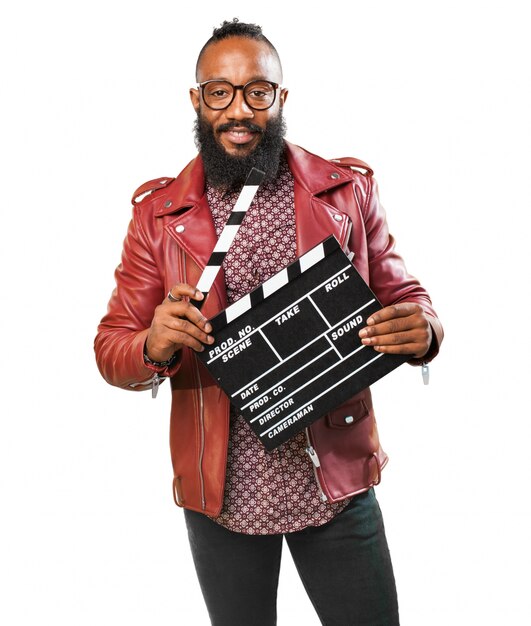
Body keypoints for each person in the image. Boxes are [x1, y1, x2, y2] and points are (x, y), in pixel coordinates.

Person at [95, 18, 443, 626]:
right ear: (197, 100)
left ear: (281, 98)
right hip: (222, 492)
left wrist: (424, 331)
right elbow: (112, 346)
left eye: (258, 91)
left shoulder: (346, 191)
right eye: (220, 91)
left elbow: (405, 292)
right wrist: (152, 344)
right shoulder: (158, 215)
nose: (239, 109)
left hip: (334, 482)